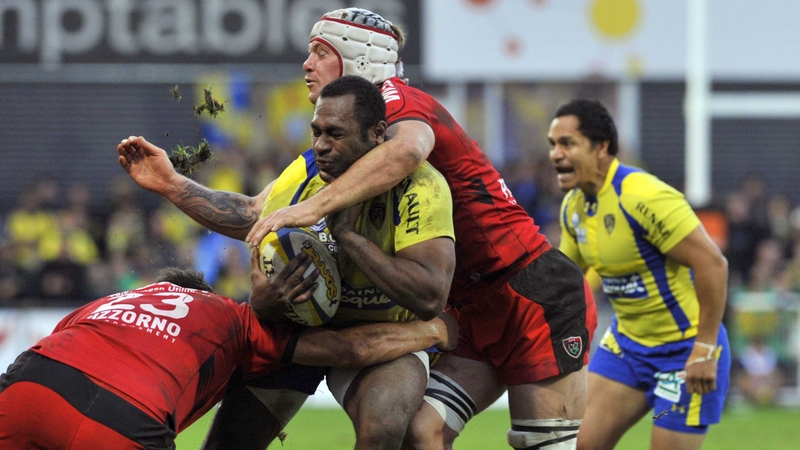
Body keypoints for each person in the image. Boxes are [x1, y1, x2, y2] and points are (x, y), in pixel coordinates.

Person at [119, 8, 595, 449]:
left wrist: (312, 213)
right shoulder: (325, 155)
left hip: (528, 289)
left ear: (360, 58)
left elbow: (407, 151)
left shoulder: (398, 103)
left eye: (320, 52)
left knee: (543, 444)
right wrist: (172, 185)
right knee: (421, 435)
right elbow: (253, 214)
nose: (305, 64)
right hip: (466, 306)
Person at [121, 75, 456, 450]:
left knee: (385, 426)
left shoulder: (420, 187)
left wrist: (350, 238)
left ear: (377, 133)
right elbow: (254, 249)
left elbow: (430, 298)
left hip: (387, 339)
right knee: (226, 445)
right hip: (300, 333)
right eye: (316, 132)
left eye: (336, 134)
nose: (322, 146)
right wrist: (173, 184)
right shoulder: (305, 172)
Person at [0, 247, 458, 450]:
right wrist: (433, 332)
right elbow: (346, 349)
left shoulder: (106, 302)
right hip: (125, 418)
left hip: (28, 388)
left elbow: (54, 346)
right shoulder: (227, 315)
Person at [548, 99, 730, 450]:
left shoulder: (644, 197)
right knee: (577, 446)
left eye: (567, 143)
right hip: (627, 348)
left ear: (601, 147)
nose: (556, 154)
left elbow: (713, 264)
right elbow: (565, 282)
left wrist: (705, 348)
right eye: (553, 144)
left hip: (684, 351)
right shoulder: (573, 207)